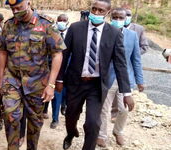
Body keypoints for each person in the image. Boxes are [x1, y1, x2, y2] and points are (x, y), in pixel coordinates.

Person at [56, 0, 134, 149]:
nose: (96, 13)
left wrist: (126, 92)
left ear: (107, 13)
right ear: (90, 9)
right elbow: (64, 56)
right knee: (71, 116)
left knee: (93, 122)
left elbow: (121, 64)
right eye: (94, 9)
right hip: (76, 82)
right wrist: (59, 79)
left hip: (96, 86)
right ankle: (71, 133)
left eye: (101, 11)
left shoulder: (114, 34)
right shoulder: (75, 28)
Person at [0, 0, 66, 149]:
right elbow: (2, 52)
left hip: (37, 82)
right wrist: (1, 78)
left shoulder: (46, 24)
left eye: (18, 7)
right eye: (12, 8)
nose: (15, 11)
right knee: (10, 115)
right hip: (12, 79)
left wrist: (51, 85)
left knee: (35, 122)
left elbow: (57, 54)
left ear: (28, 2)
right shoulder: (8, 25)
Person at [96, 7, 144, 148]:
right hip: (106, 78)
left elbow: (136, 59)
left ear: (126, 19)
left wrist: (140, 80)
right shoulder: (103, 33)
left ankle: (118, 132)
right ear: (110, 18)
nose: (117, 20)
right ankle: (102, 135)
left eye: (121, 18)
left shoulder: (132, 35)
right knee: (104, 109)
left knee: (123, 109)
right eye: (115, 17)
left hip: (125, 79)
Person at [43, 14, 69, 129]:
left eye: (64, 20)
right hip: (49, 68)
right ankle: (47, 113)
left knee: (60, 95)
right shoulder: (50, 33)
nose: (62, 22)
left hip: (64, 71)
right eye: (60, 20)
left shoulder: (70, 35)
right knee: (48, 92)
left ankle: (56, 116)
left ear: (67, 22)